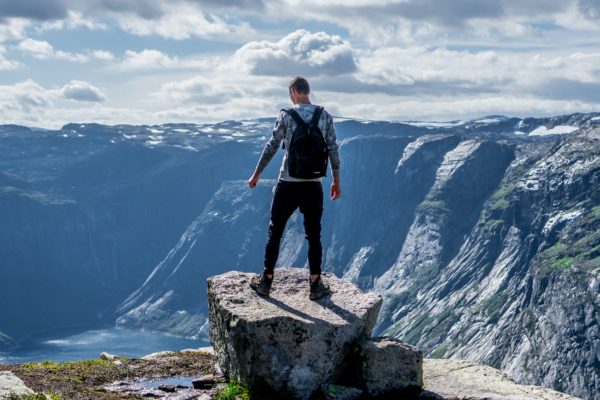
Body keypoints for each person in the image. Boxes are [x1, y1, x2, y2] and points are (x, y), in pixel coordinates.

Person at [247, 76, 341, 300]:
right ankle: (315, 285)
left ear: (292, 92)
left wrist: (257, 174)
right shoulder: (325, 116)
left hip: (288, 182)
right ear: (307, 92)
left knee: (275, 230)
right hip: (314, 184)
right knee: (314, 234)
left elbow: (272, 146)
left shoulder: (286, 116)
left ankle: (266, 282)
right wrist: (337, 180)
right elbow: (333, 149)